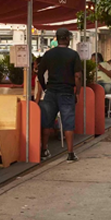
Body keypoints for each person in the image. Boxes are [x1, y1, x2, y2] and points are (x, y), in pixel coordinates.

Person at [37, 28, 82, 163]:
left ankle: (44, 150)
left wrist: (45, 88)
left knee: (47, 122)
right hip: (67, 92)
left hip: (51, 92)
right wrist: (77, 92)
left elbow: (40, 73)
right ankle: (70, 153)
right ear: (67, 39)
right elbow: (78, 76)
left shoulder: (48, 54)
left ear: (56, 38)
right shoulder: (73, 55)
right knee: (68, 123)